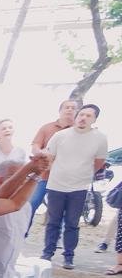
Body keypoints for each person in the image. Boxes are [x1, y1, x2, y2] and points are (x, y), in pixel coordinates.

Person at [42, 103, 107, 269]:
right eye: (81, 114)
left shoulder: (100, 138)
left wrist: (84, 173)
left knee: (72, 223)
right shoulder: (60, 135)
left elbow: (99, 161)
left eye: (88, 116)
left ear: (94, 119)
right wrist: (57, 171)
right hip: (56, 184)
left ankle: (68, 256)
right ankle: (47, 253)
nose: (83, 118)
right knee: (53, 221)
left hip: (79, 187)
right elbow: (49, 157)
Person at [28, 98, 80, 230]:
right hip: (43, 176)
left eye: (73, 108)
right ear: (60, 110)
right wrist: (41, 153)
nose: (70, 110)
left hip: (64, 179)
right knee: (31, 204)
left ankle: (54, 238)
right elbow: (35, 146)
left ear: (77, 112)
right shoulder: (47, 128)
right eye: (67, 107)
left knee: (59, 211)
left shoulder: (79, 131)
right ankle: (22, 233)